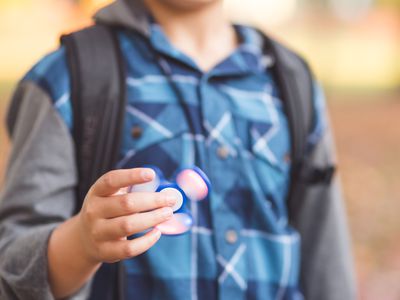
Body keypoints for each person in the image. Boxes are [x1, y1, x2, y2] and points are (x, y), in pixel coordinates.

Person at [0, 0, 356, 299]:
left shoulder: (291, 79)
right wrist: (81, 242)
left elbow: (326, 256)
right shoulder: (65, 77)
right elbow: (11, 270)